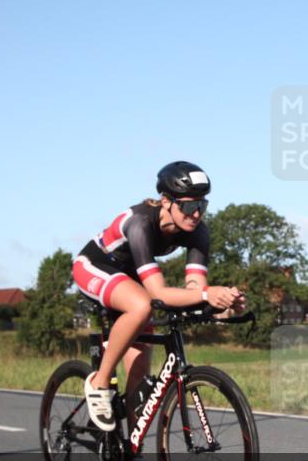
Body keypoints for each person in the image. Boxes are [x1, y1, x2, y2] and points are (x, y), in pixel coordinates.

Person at [71, 161, 245, 437]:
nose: (196, 213)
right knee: (142, 305)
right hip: (95, 266)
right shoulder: (140, 222)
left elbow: (195, 289)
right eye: (189, 206)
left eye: (202, 204)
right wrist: (206, 294)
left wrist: (222, 303)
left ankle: (134, 454)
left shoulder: (199, 231)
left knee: (140, 374)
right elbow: (158, 293)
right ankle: (99, 382)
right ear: (166, 201)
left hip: (131, 278)